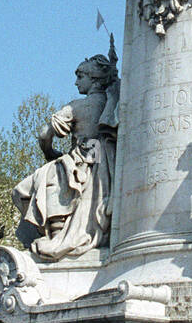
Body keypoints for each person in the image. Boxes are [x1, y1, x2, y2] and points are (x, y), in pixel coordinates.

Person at [13, 51, 118, 260]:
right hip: (106, 160)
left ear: (94, 79)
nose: (76, 83)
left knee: (23, 189)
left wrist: (50, 152)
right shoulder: (114, 102)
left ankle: (55, 237)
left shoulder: (78, 106)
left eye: (81, 77)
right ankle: (60, 235)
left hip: (81, 159)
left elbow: (44, 135)